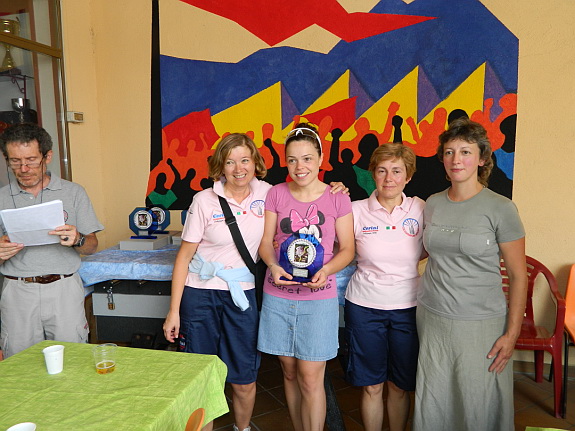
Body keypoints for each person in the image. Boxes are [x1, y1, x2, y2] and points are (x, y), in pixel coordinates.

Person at [162, 132, 348, 431]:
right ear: (220, 166)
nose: (238, 169)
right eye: (230, 162)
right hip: (201, 293)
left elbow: (308, 193)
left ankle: (243, 427)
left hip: (243, 294)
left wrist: (338, 187)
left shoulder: (269, 193)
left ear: (255, 163)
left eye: (245, 160)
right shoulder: (204, 200)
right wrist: (174, 312)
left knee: (244, 375)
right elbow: (183, 257)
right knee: (201, 374)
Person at [413, 118, 527, 431]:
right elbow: (418, 251)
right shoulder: (432, 203)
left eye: (465, 152)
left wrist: (512, 334)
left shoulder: (501, 208)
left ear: (481, 158)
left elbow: (518, 276)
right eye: (449, 152)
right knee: (436, 398)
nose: (456, 159)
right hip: (432, 317)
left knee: (478, 400)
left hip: (481, 322)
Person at [258, 123, 355, 431]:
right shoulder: (275, 194)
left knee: (311, 378)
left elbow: (348, 249)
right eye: (292, 160)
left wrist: (326, 270)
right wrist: (273, 266)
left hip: (319, 299)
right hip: (278, 296)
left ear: (321, 158)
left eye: (307, 158)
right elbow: (265, 243)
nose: (300, 167)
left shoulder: (337, 198)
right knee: (289, 373)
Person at [0, 123, 103, 358]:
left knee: (73, 359)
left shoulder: (74, 192)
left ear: (48, 157)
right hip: (17, 292)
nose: (23, 168)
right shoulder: (2, 197)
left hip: (63, 289)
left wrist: (78, 239)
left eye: (31, 160)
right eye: (15, 161)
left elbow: (92, 246)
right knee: (19, 363)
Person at [344, 143, 425, 431]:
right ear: (373, 174)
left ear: (408, 176)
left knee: (399, 385)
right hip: (364, 307)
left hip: (409, 308)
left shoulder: (421, 208)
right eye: (382, 171)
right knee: (372, 385)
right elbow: (335, 248)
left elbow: (433, 247)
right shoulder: (354, 210)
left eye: (397, 171)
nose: (389, 178)